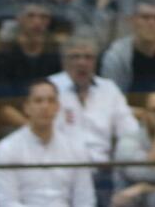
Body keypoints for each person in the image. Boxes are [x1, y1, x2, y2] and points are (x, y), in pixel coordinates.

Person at [0, 79, 95, 207]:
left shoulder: (76, 148)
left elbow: (85, 200)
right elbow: (7, 202)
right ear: (26, 107)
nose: (45, 106)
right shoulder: (6, 148)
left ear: (58, 107)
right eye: (38, 100)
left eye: (51, 101)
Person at [50, 34, 140, 163]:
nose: (82, 62)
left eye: (88, 57)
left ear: (95, 62)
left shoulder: (109, 89)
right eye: (75, 57)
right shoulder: (50, 88)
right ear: (64, 62)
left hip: (103, 168)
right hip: (63, 168)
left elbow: (130, 132)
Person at [0, 2, 61, 127]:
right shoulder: (3, 55)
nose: (37, 22)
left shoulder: (54, 54)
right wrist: (32, 130)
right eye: (31, 16)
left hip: (51, 121)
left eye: (43, 17)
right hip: (15, 124)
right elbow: (1, 106)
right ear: (19, 19)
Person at [100, 0, 155, 94]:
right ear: (132, 20)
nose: (152, 23)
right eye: (145, 17)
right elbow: (110, 98)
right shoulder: (116, 56)